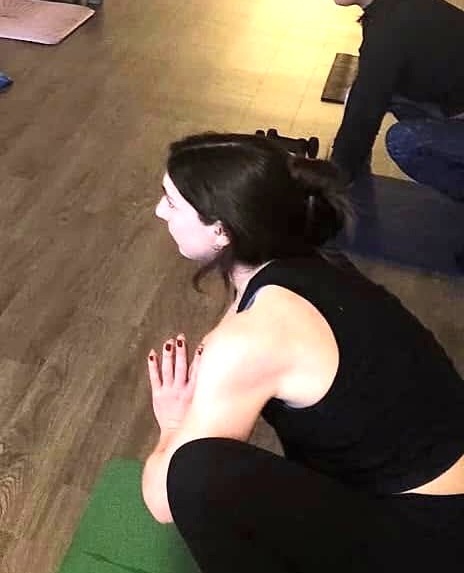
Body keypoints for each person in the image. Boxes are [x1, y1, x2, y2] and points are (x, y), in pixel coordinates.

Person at [142, 132, 464, 570]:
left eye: (172, 202)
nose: (159, 211)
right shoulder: (306, 262)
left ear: (221, 230)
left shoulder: (253, 337)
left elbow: (163, 500)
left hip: (433, 540)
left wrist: (171, 424)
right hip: (432, 496)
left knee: (193, 473)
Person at [323, 0, 464, 200]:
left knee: (404, 141)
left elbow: (366, 106)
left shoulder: (391, 26)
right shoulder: (400, 3)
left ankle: (346, 178)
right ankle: (352, 177)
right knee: (373, 93)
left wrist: (333, 177)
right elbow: (367, 96)